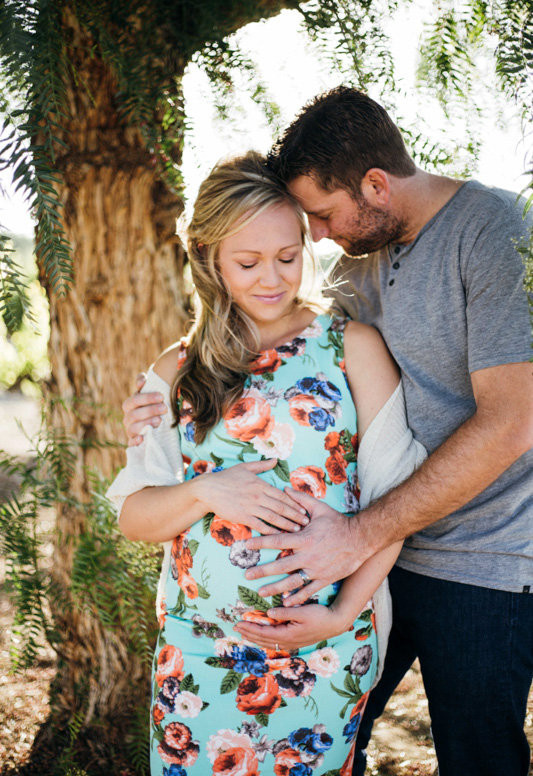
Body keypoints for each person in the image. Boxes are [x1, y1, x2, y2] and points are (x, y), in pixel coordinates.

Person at [124, 89, 533, 776]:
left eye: (316, 218)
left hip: (481, 558)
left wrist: (354, 560)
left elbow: (511, 420)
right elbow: (250, 344)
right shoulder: (356, 259)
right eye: (300, 226)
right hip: (331, 577)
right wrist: (153, 406)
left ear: (375, 186)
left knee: (476, 756)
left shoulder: (493, 232)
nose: (312, 239)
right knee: (348, 738)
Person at [108, 151, 426, 775]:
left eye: (288, 256)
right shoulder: (177, 370)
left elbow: (399, 501)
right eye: (248, 263)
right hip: (196, 660)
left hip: (324, 648)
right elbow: (134, 516)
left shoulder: (350, 348)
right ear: (208, 257)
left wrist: (338, 614)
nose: (273, 279)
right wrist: (208, 492)